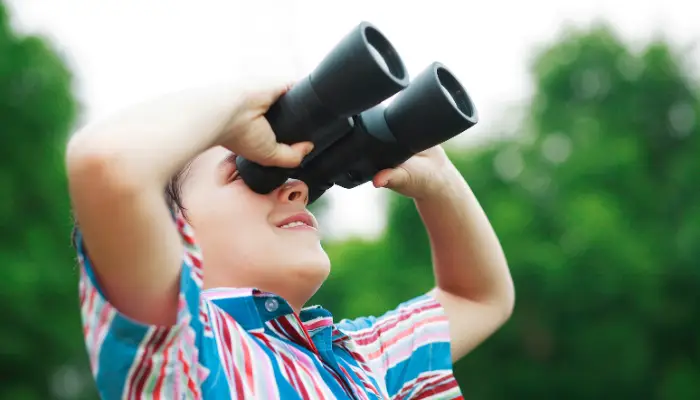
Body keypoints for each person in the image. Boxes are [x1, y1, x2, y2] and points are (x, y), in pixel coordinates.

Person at [66, 80, 515, 399]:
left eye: (296, 175)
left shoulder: (360, 363)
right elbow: (107, 167)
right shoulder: (185, 353)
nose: (298, 188)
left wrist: (440, 182)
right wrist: (239, 107)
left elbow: (478, 297)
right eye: (252, 172)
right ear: (170, 234)